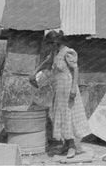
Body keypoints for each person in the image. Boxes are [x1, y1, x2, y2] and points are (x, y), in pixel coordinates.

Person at [30, 30, 90, 158]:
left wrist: (74, 88)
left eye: (50, 44)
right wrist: (34, 72)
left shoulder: (67, 52)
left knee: (69, 115)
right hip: (58, 89)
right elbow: (46, 62)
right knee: (61, 115)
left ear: (55, 42)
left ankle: (73, 147)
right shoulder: (55, 53)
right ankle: (66, 144)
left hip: (68, 88)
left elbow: (76, 69)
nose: (49, 47)